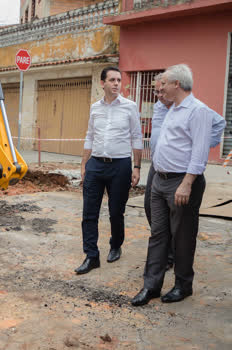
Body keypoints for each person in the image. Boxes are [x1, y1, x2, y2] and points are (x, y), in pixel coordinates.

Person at [131, 64, 226, 306]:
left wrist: (187, 183)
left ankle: (183, 285)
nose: (160, 88)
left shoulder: (198, 111)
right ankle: (151, 286)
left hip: (181, 182)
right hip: (160, 180)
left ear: (177, 84)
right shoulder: (172, 108)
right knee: (158, 235)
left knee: (183, 237)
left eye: (164, 84)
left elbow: (199, 152)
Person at [144, 74, 227, 272]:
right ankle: (164, 254)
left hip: (181, 171)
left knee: (181, 226)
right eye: (156, 90)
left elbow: (219, 123)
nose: (159, 93)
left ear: (175, 85)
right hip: (158, 167)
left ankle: (173, 258)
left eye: (162, 88)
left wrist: (200, 145)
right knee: (151, 210)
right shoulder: (160, 106)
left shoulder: (191, 108)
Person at [75, 66, 143, 275]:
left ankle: (116, 245)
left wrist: (137, 167)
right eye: (112, 80)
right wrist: (84, 164)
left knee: (116, 212)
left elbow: (137, 137)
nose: (116, 84)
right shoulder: (95, 108)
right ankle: (91, 256)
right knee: (89, 213)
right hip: (96, 164)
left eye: (119, 80)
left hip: (120, 165)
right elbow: (90, 136)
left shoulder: (130, 107)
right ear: (102, 83)